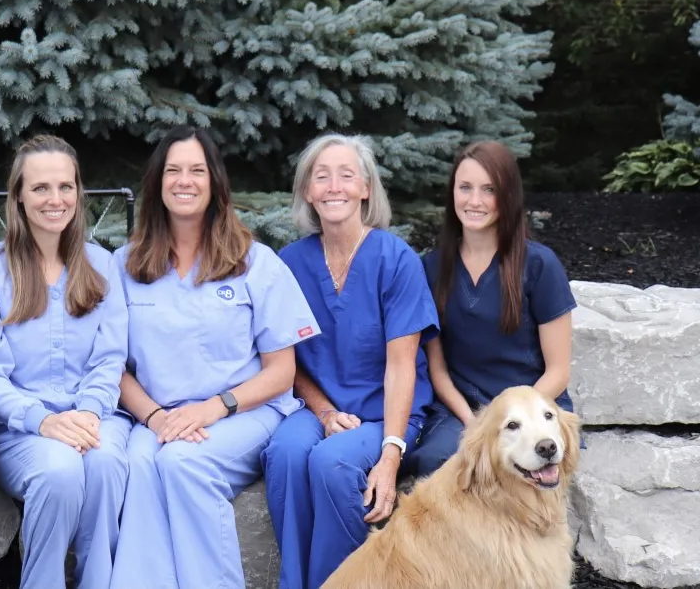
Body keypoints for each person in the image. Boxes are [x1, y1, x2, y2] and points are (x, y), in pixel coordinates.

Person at [107, 126, 320, 589]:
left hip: (242, 412)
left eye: (196, 171)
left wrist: (213, 408)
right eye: (173, 170)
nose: (184, 181)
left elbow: (282, 373)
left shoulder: (255, 261)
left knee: (183, 462)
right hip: (159, 417)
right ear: (158, 183)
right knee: (140, 464)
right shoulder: (126, 264)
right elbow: (112, 366)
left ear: (214, 183)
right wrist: (156, 417)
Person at [260, 134, 440, 589]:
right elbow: (285, 359)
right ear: (307, 192)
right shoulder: (290, 262)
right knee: (284, 452)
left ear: (366, 188)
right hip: (318, 407)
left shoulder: (395, 259)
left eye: (346, 175)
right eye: (321, 177)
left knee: (333, 464)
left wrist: (390, 455)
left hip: (387, 415)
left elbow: (401, 367)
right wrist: (323, 411)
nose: (333, 186)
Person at [0, 135, 130, 589]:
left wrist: (89, 414)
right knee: (59, 470)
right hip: (17, 429)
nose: (55, 200)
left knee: (107, 463)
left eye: (65, 187)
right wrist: (42, 422)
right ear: (18, 196)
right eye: (40, 188)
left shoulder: (102, 266)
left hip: (96, 417)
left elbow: (109, 359)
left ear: (79, 192)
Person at [403, 140, 576, 479]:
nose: (474, 201)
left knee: (522, 468)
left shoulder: (539, 265)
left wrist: (507, 421)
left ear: (508, 196)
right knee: (437, 466)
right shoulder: (431, 268)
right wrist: (478, 426)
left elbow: (558, 371)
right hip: (462, 411)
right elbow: (438, 371)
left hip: (532, 410)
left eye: (489, 189)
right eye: (465, 187)